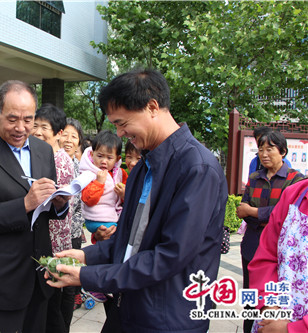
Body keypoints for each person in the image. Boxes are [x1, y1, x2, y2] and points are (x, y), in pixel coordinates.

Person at [46, 69, 229, 333]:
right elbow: (130, 242)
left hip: (167, 318)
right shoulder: (144, 167)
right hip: (128, 307)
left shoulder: (197, 169)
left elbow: (169, 257)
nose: (119, 134)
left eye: (122, 123)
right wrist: (86, 255)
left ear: (152, 106)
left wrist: (87, 276)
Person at [0, 80, 69, 333]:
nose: (21, 128)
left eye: (28, 119)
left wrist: (58, 204)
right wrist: (25, 204)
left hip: (39, 275)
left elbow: (42, 212)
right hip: (2, 281)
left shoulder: (43, 150)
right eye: (12, 119)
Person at [237, 130, 305, 333]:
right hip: (252, 243)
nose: (264, 154)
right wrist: (258, 214)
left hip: (281, 249)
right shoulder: (254, 177)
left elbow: (282, 214)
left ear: (283, 151)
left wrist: (255, 212)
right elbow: (242, 210)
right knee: (252, 297)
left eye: (270, 149)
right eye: (260, 149)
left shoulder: (295, 181)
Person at [31, 103, 75, 333]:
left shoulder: (59, 160)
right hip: (47, 237)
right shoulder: (43, 154)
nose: (37, 131)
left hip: (54, 239)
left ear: (58, 133)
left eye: (44, 127)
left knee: (51, 302)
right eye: (35, 125)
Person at [248, 178, 308, 333]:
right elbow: (266, 256)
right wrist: (270, 307)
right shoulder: (295, 194)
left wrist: (292, 329)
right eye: (261, 150)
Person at [59, 118, 86, 311]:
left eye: (74, 136)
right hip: (51, 236)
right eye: (65, 134)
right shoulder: (50, 164)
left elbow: (82, 208)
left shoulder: (82, 171)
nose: (69, 140)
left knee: (68, 289)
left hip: (73, 237)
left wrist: (70, 232)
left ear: (79, 142)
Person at [80, 129, 127, 236]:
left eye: (109, 158)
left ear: (117, 159)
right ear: (92, 155)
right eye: (100, 156)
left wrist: (124, 194)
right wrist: (98, 183)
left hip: (113, 216)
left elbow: (130, 196)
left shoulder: (121, 174)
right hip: (95, 219)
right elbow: (88, 200)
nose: (104, 161)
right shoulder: (88, 174)